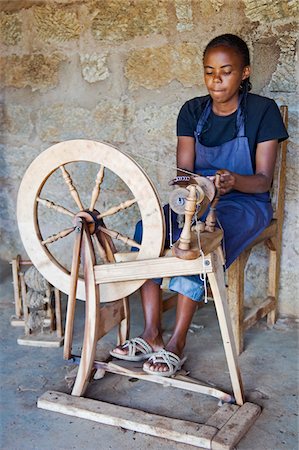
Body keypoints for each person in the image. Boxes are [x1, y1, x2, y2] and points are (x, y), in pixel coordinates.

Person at [110, 34, 288, 376]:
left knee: (200, 242)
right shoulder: (192, 111)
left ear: (244, 73)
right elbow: (182, 176)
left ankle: (177, 342)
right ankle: (151, 333)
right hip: (196, 199)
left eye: (226, 71)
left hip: (246, 202)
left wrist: (233, 181)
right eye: (209, 71)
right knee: (149, 228)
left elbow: (264, 179)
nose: (216, 80)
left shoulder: (262, 112)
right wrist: (198, 190)